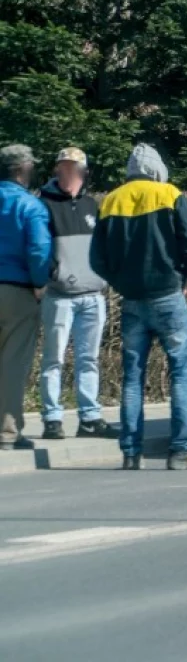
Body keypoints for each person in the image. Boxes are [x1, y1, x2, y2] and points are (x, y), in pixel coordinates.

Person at [90, 144, 187, 471]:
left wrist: (120, 283)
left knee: (132, 376)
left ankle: (131, 452)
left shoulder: (111, 201)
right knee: (181, 372)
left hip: (133, 301)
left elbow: (97, 258)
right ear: (158, 169)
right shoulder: (168, 193)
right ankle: (182, 451)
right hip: (168, 296)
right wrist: (186, 276)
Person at [38, 147, 116, 440]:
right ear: (57, 170)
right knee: (53, 358)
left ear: (84, 173)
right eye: (63, 167)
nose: (68, 173)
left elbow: (104, 248)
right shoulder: (43, 204)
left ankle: (90, 417)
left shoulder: (92, 206)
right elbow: (38, 248)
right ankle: (52, 418)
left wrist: (103, 277)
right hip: (59, 295)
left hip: (93, 295)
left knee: (89, 358)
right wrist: (51, 275)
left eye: (74, 168)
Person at [0, 145, 51, 451]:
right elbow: (39, 249)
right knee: (12, 363)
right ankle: (7, 432)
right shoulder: (29, 205)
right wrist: (39, 282)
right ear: (22, 170)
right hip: (17, 289)